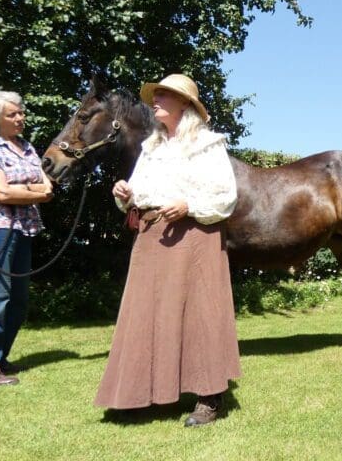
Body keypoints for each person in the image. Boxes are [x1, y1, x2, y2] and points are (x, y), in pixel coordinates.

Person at [94, 73, 240, 428]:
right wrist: (124, 194)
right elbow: (140, 192)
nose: (155, 100)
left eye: (163, 95)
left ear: (185, 104)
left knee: (200, 314)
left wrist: (188, 204)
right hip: (150, 237)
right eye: (155, 95)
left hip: (193, 237)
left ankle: (209, 398)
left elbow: (225, 195)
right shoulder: (151, 148)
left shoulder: (207, 144)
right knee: (144, 314)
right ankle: (138, 394)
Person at [0, 90, 54, 385]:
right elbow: (0, 192)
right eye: (12, 114)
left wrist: (25, 191)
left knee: (17, 299)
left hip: (24, 227)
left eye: (21, 113)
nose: (20, 118)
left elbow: (48, 189)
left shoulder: (27, 148)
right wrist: (32, 192)